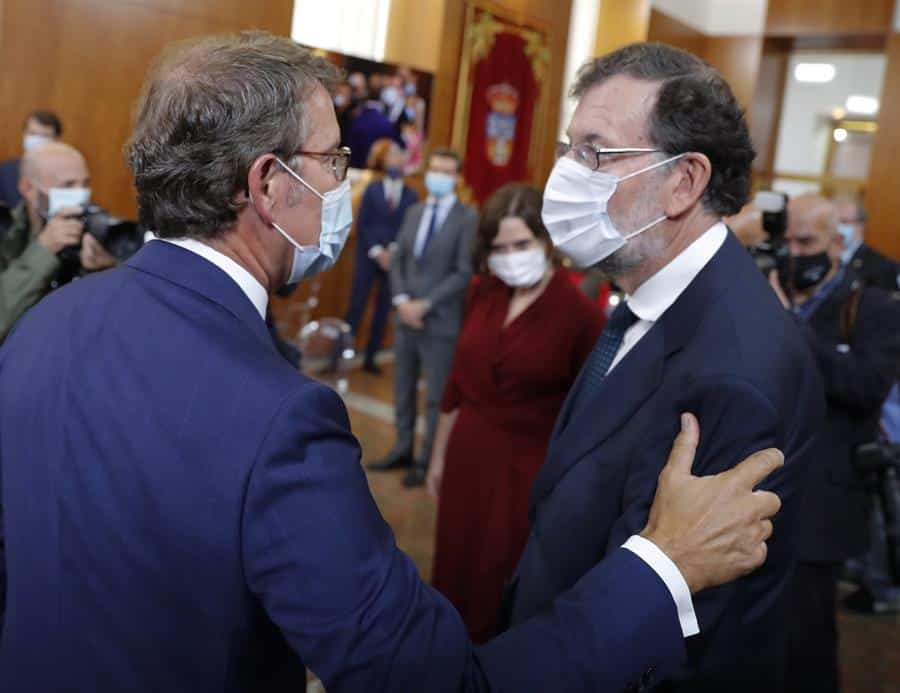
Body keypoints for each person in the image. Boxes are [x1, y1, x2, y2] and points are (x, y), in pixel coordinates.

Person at [0, 32, 788, 693]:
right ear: (269, 185)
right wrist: (663, 566)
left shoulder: (44, 322)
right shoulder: (281, 418)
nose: (340, 184)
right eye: (332, 161)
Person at [506, 43, 824, 693]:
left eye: (595, 152)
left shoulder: (732, 369)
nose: (566, 173)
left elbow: (669, 632)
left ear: (684, 182)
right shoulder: (651, 301)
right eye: (570, 149)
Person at [427, 183, 606, 642]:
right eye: (500, 247)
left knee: (499, 579)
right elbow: (456, 385)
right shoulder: (483, 292)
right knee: (453, 567)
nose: (511, 256)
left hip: (527, 470)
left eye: (521, 244)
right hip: (468, 455)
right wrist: (439, 457)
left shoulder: (580, 315)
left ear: (546, 242)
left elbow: (586, 416)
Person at [767, 193, 900, 693]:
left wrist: (791, 326)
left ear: (836, 244)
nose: (796, 253)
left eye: (808, 241)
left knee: (806, 638)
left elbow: (864, 385)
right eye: (788, 242)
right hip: (761, 491)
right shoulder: (769, 293)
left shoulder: (873, 307)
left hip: (823, 503)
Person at [367, 147, 477, 488]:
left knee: (434, 397)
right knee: (401, 387)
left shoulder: (467, 217)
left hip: (439, 319)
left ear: (456, 178)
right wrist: (401, 300)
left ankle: (426, 458)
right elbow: (398, 259)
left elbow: (463, 271)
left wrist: (425, 304)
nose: (440, 177)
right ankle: (401, 448)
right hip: (404, 315)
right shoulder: (414, 210)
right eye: (436, 170)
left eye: (447, 171)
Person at [0, 141, 115, 340]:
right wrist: (44, 249)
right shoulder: (6, 232)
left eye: (85, 184)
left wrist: (106, 270)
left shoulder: (94, 227)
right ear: (28, 189)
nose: (81, 195)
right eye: (68, 185)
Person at [344, 138, 418, 373]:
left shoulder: (411, 195)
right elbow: (363, 223)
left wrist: (393, 252)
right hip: (368, 255)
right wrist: (377, 251)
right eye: (393, 155)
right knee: (357, 304)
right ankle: (343, 354)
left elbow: (409, 228)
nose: (397, 159)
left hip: (394, 260)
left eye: (400, 155)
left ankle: (371, 358)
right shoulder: (372, 189)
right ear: (385, 161)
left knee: (383, 310)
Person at [834, 194, 899, 292]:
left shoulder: (882, 265)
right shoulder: (823, 258)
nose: (837, 228)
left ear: (861, 225)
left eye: (844, 221)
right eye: (833, 223)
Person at [0, 110, 63, 209]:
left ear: (57, 140)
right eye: (33, 133)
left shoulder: (64, 174)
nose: (37, 140)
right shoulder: (6, 170)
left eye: (45, 135)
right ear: (24, 134)